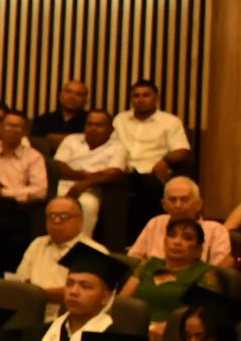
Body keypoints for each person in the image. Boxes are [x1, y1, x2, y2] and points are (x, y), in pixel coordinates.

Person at [31, 241, 126, 341]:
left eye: (85, 286)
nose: (74, 291)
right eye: (69, 284)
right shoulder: (40, 334)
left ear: (105, 297)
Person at [0, 106, 50, 268]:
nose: (12, 130)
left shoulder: (33, 157)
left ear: (25, 131)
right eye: (8, 125)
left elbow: (40, 191)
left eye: (17, 126)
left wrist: (4, 193)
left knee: (6, 220)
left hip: (17, 208)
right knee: (2, 221)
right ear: (0, 128)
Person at [115, 78, 191, 231]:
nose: (140, 99)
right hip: (123, 170)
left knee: (149, 188)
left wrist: (165, 160)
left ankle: (143, 238)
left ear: (156, 98)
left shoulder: (170, 121)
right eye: (136, 96)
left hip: (152, 172)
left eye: (146, 95)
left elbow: (182, 150)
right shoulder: (120, 119)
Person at [122, 217, 216, 332]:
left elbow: (202, 313)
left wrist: (170, 326)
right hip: (134, 328)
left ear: (199, 249)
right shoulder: (149, 264)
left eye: (187, 238)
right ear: (164, 241)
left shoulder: (204, 272)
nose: (177, 242)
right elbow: (122, 300)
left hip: (175, 333)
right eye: (172, 235)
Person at [50, 108, 127, 240]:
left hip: (92, 190)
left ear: (111, 129)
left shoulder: (118, 147)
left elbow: (114, 173)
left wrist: (84, 183)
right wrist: (92, 175)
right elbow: (59, 167)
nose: (93, 128)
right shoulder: (71, 140)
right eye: (89, 124)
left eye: (99, 125)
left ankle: (81, 245)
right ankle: (54, 242)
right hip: (62, 185)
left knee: (87, 205)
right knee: (55, 204)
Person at [126, 175, 233, 266]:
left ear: (198, 204)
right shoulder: (156, 223)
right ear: (164, 205)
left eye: (184, 199)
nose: (178, 205)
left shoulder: (215, 229)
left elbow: (221, 269)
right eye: (173, 200)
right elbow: (133, 259)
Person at [18, 196, 97, 312]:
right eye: (52, 216)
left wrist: (37, 294)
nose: (57, 221)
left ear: (80, 220)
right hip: (31, 311)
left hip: (70, 314)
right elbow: (21, 282)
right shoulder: (37, 243)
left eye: (64, 216)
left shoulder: (93, 251)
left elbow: (81, 294)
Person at [31, 79, 92, 153]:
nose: (72, 97)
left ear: (86, 101)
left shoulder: (91, 121)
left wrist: (54, 139)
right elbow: (36, 144)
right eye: (68, 92)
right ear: (60, 96)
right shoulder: (43, 120)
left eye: (78, 94)